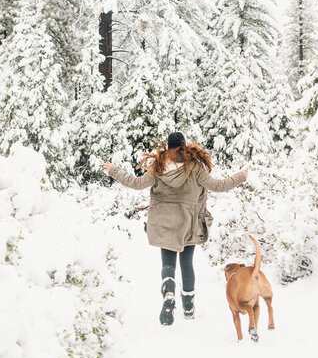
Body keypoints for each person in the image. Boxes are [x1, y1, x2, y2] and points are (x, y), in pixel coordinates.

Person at [104, 132, 248, 326]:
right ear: (184, 145)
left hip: (164, 221)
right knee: (187, 263)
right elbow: (218, 186)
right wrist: (241, 176)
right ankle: (188, 307)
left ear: (167, 147)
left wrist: (114, 170)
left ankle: (168, 293)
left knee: (168, 264)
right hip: (188, 222)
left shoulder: (159, 166)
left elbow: (136, 184)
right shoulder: (194, 167)